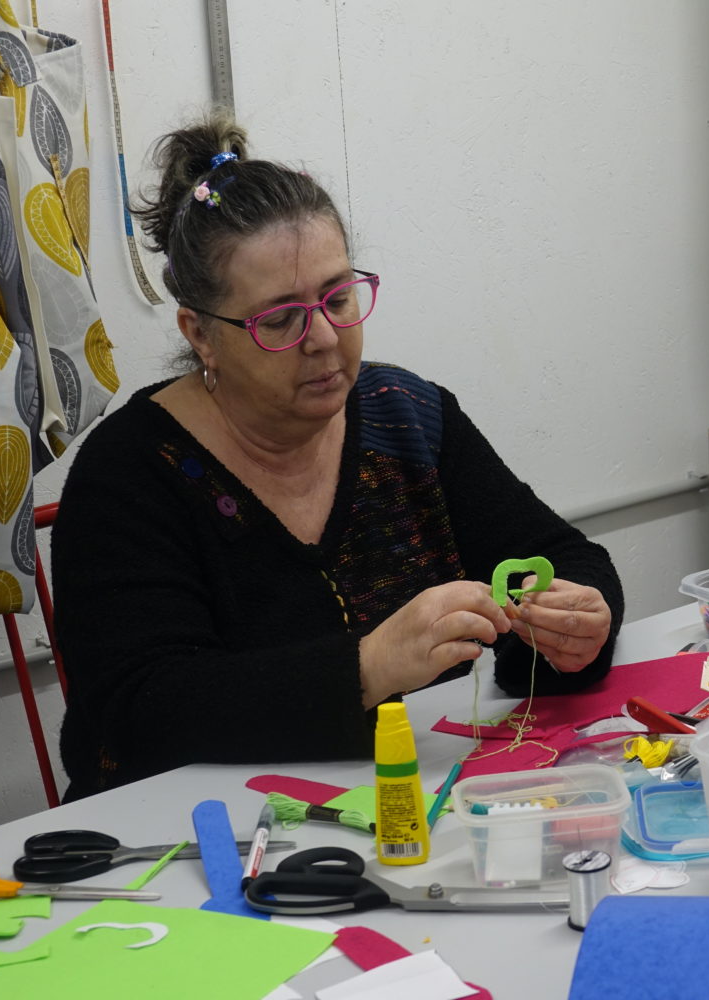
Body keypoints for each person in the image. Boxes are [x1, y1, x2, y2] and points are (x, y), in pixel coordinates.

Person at [52, 114, 624, 798]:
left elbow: (562, 557)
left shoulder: (405, 416)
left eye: (338, 297)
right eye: (280, 319)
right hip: (189, 826)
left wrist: (576, 627)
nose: (323, 337)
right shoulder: (132, 473)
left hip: (399, 802)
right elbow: (143, 710)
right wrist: (369, 666)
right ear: (200, 334)